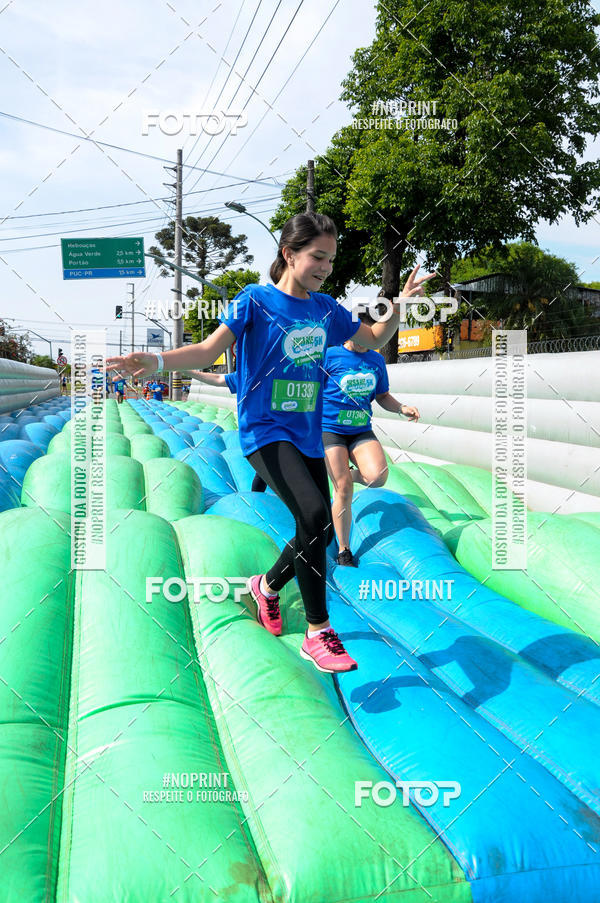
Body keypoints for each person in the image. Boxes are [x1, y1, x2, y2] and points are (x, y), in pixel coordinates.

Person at [107, 212, 432, 674]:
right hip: (264, 431)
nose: (324, 267)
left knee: (315, 530)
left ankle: (267, 586)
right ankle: (318, 632)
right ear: (289, 253)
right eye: (317, 256)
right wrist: (158, 359)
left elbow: (376, 338)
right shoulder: (254, 301)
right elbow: (207, 351)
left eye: (331, 259)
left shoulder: (326, 310)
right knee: (318, 516)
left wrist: (397, 304)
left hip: (307, 433)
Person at [321, 310, 420, 567]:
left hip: (359, 429)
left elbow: (382, 395)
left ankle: (342, 475)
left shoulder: (376, 360)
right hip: (330, 429)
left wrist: (401, 408)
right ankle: (344, 549)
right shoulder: (330, 356)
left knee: (378, 476)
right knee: (343, 489)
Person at [185, 368, 267, 492]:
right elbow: (218, 379)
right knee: (264, 470)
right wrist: (187, 371)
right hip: (266, 434)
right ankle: (256, 497)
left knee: (265, 470)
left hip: (291, 433)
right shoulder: (247, 375)